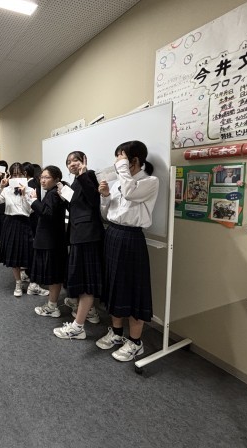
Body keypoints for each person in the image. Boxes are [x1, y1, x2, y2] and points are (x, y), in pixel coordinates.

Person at [96, 140, 159, 362]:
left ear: (135, 160)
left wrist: (122, 168)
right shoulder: (118, 183)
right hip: (113, 234)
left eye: (120, 157)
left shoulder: (150, 181)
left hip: (132, 238)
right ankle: (116, 333)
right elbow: (106, 214)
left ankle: (135, 342)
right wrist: (105, 196)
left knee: (133, 289)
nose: (117, 162)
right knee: (114, 286)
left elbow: (131, 193)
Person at [53, 151, 104, 340]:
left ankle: (78, 327)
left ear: (84, 161)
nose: (72, 164)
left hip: (87, 236)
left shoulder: (88, 176)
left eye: (75, 160)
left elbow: (94, 200)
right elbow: (78, 206)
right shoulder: (75, 181)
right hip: (79, 235)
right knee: (82, 279)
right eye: (68, 162)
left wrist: (83, 175)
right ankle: (90, 313)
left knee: (86, 281)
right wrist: (64, 197)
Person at [0, 162, 45, 297]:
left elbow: (31, 210)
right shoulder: (7, 190)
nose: (17, 177)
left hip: (25, 223)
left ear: (24, 175)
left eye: (19, 174)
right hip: (10, 223)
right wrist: (1, 187)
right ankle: (18, 283)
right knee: (14, 255)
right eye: (14, 175)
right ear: (10, 176)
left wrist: (25, 194)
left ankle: (33, 284)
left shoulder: (30, 190)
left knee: (30, 254)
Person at [30, 166, 68, 318]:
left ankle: (52, 306)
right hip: (53, 240)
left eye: (47, 177)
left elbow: (46, 213)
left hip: (50, 241)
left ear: (56, 179)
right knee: (55, 275)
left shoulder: (53, 194)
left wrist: (33, 200)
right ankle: (53, 305)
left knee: (53, 276)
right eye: (42, 177)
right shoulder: (55, 192)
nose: (42, 180)